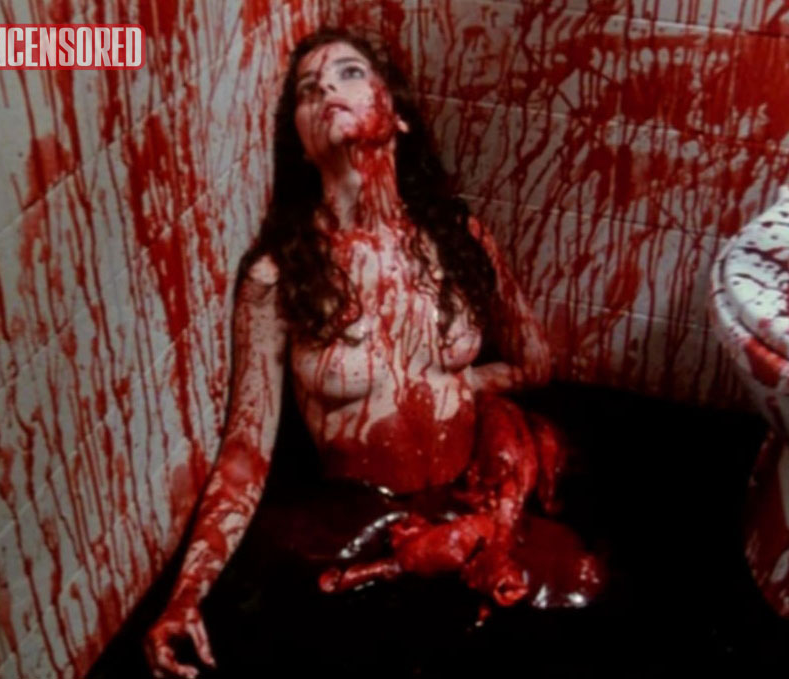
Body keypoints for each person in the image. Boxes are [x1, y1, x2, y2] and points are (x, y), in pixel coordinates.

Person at [145, 27, 600, 679]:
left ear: (400, 115)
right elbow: (246, 455)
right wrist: (186, 592)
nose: (328, 89)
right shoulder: (277, 278)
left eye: (350, 73)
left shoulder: (463, 238)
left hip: (474, 510)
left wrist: (460, 386)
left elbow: (535, 362)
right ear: (302, 144)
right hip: (362, 537)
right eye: (309, 90)